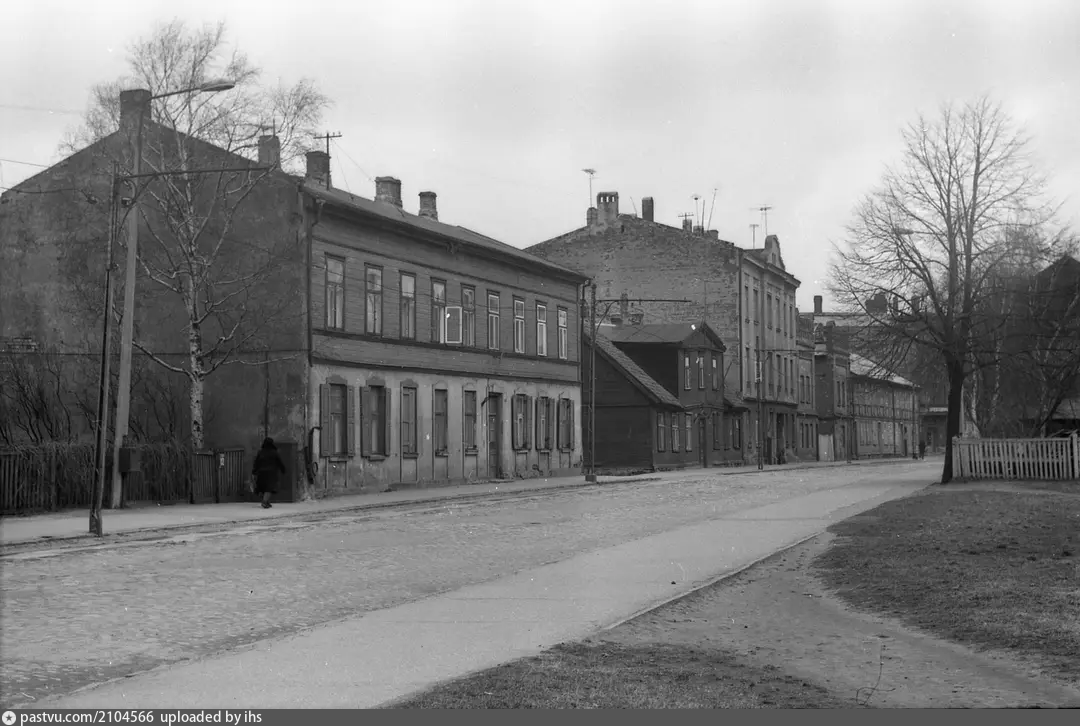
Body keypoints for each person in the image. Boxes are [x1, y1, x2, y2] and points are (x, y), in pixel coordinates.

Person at [252, 437, 286, 509]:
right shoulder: (274, 452)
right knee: (269, 488)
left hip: (261, 473)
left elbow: (256, 462)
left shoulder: (260, 452)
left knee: (263, 488)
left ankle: (266, 501)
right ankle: (264, 502)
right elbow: (279, 462)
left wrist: (254, 471)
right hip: (271, 473)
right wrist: (283, 469)